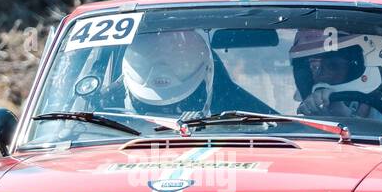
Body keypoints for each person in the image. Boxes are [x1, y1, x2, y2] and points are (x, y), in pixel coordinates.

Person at [117, 29, 273, 118]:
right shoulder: (100, 114)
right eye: (153, 51)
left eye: (173, 52)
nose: (163, 55)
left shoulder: (245, 112)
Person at [289, 29, 382, 128]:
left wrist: (346, 120)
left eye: (333, 66)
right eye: (311, 68)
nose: (320, 76)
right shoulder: (287, 118)